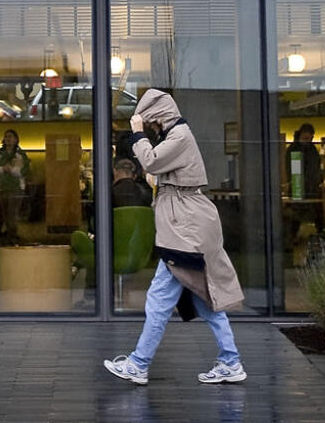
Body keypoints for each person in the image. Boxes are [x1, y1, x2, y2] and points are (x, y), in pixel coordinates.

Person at [104, 89, 245, 386]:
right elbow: (163, 173)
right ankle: (231, 360)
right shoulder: (179, 136)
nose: (153, 130)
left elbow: (152, 162)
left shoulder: (179, 136)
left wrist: (137, 133)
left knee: (158, 299)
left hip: (184, 230)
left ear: (160, 118)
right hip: (185, 227)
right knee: (204, 298)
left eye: (153, 124)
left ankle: (139, 364)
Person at [0, 129, 29, 243]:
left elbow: (25, 170)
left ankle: (12, 236)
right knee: (4, 213)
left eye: (11, 137)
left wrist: (11, 170)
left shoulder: (21, 155)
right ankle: (10, 235)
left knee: (11, 213)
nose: (8, 139)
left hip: (16, 187)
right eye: (6, 136)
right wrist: (3, 169)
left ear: (16, 139)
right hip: (2, 187)